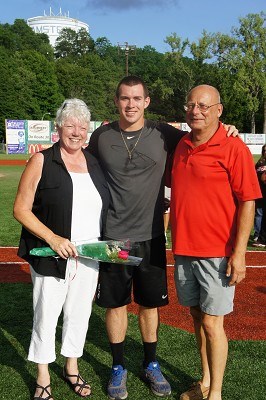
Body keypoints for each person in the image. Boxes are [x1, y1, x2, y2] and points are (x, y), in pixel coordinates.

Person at [87, 76, 238, 400]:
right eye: (125, 98)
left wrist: (229, 128)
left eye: (136, 98)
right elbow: (79, 165)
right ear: (117, 101)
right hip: (114, 238)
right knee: (115, 305)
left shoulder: (163, 133)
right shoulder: (101, 136)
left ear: (147, 101)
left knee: (149, 304)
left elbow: (203, 132)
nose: (130, 104)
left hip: (152, 235)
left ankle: (151, 363)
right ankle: (118, 366)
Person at [170, 85, 262, 400]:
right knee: (197, 317)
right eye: (191, 105)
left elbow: (248, 201)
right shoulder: (181, 144)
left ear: (219, 110)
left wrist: (239, 254)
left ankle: (216, 394)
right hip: (184, 249)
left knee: (212, 323)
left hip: (217, 254)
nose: (196, 111)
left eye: (204, 106)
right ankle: (205, 381)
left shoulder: (234, 148)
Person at [13, 99, 109, 400]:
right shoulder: (42, 160)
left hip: (88, 256)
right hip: (50, 255)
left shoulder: (94, 162)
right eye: (70, 125)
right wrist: (53, 239)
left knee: (79, 314)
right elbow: (21, 209)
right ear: (58, 128)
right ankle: (43, 375)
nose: (76, 132)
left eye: (82, 126)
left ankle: (71, 367)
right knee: (46, 315)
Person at [252, 144, 266, 245]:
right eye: (264, 150)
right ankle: (257, 234)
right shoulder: (260, 163)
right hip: (260, 192)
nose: (265, 152)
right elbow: (259, 178)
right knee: (259, 214)